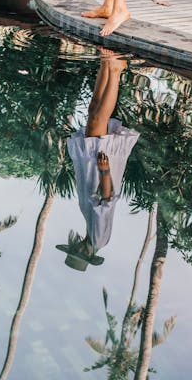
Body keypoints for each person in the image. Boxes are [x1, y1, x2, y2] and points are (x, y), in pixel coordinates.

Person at [56, 51, 139, 271]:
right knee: (98, 119)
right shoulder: (99, 239)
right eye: (79, 252)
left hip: (91, 166)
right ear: (88, 255)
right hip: (100, 167)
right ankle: (116, 70)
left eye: (75, 249)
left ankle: (106, 64)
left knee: (93, 114)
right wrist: (104, 170)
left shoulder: (91, 234)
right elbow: (107, 201)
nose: (78, 247)